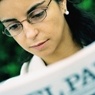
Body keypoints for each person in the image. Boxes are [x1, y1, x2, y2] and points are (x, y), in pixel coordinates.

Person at [0, 0, 95, 75]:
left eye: (37, 15)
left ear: (62, 2)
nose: (30, 34)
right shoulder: (25, 87)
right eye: (14, 26)